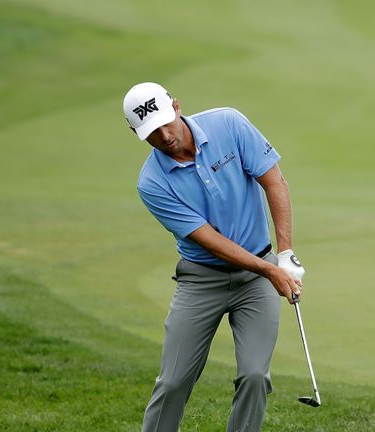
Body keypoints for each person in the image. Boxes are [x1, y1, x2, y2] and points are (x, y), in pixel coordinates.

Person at [122, 82, 306, 432]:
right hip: (201, 281)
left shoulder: (229, 124)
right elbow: (212, 242)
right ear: (135, 132)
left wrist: (285, 253)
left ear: (176, 106)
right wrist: (271, 271)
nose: (163, 136)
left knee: (255, 375)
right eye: (150, 132)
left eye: (165, 122)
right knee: (173, 383)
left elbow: (275, 182)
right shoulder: (152, 183)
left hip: (257, 278)